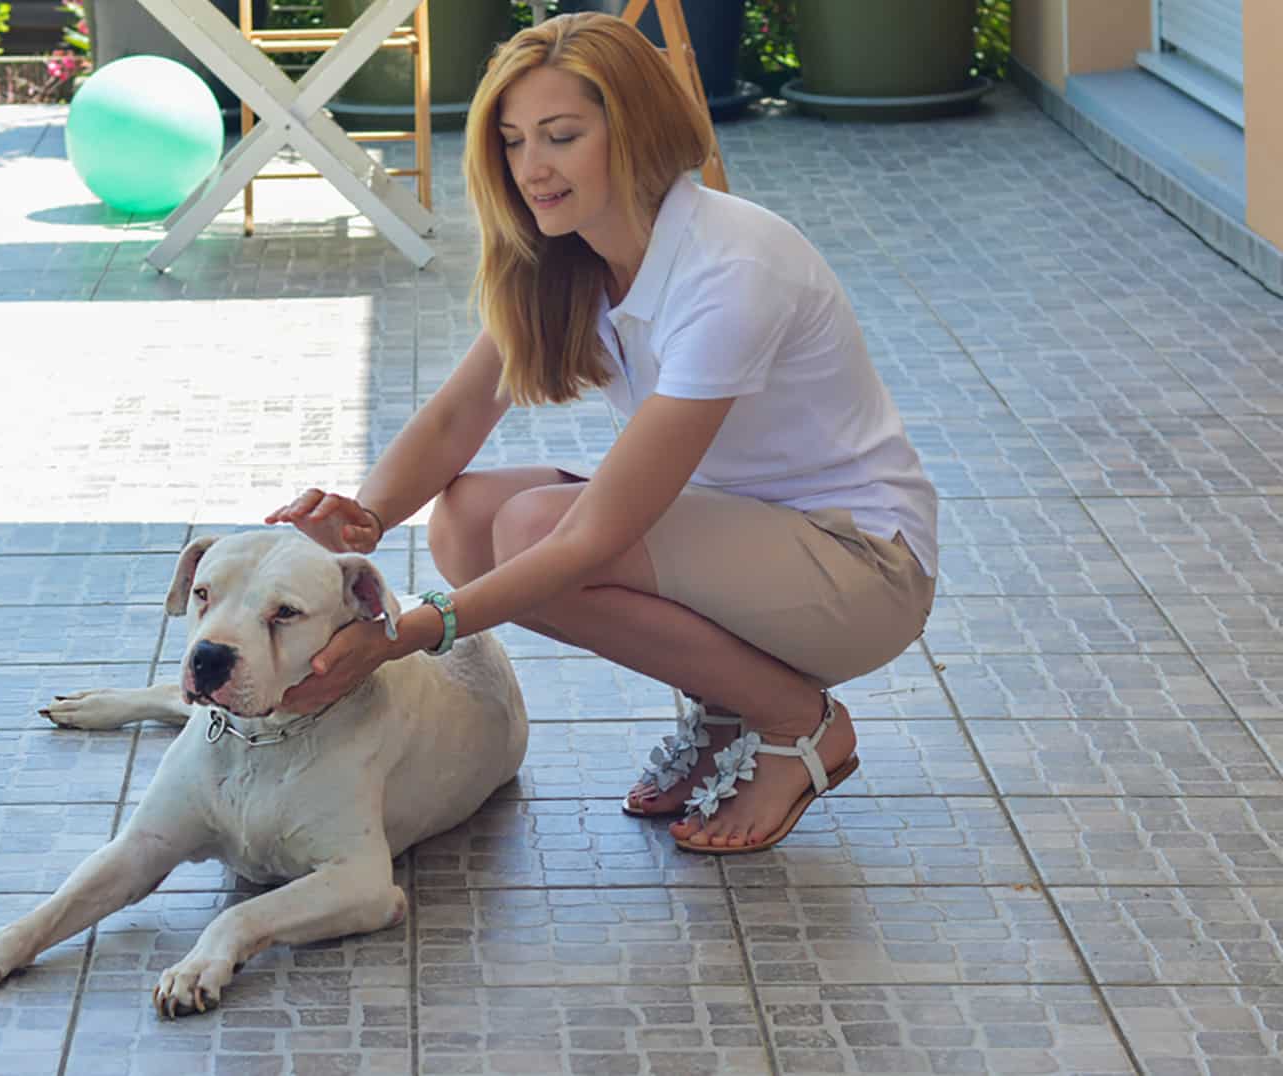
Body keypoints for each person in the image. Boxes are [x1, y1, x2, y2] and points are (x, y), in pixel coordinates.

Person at [266, 11, 937, 855]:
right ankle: (732, 704)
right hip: (747, 545)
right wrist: (356, 524)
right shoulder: (571, 258)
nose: (531, 169)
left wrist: (404, 635)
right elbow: (456, 417)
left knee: (538, 531)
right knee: (468, 520)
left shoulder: (730, 268)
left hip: (864, 572)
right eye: (512, 141)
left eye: (561, 136)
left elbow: (596, 536)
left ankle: (800, 725)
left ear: (635, 131)